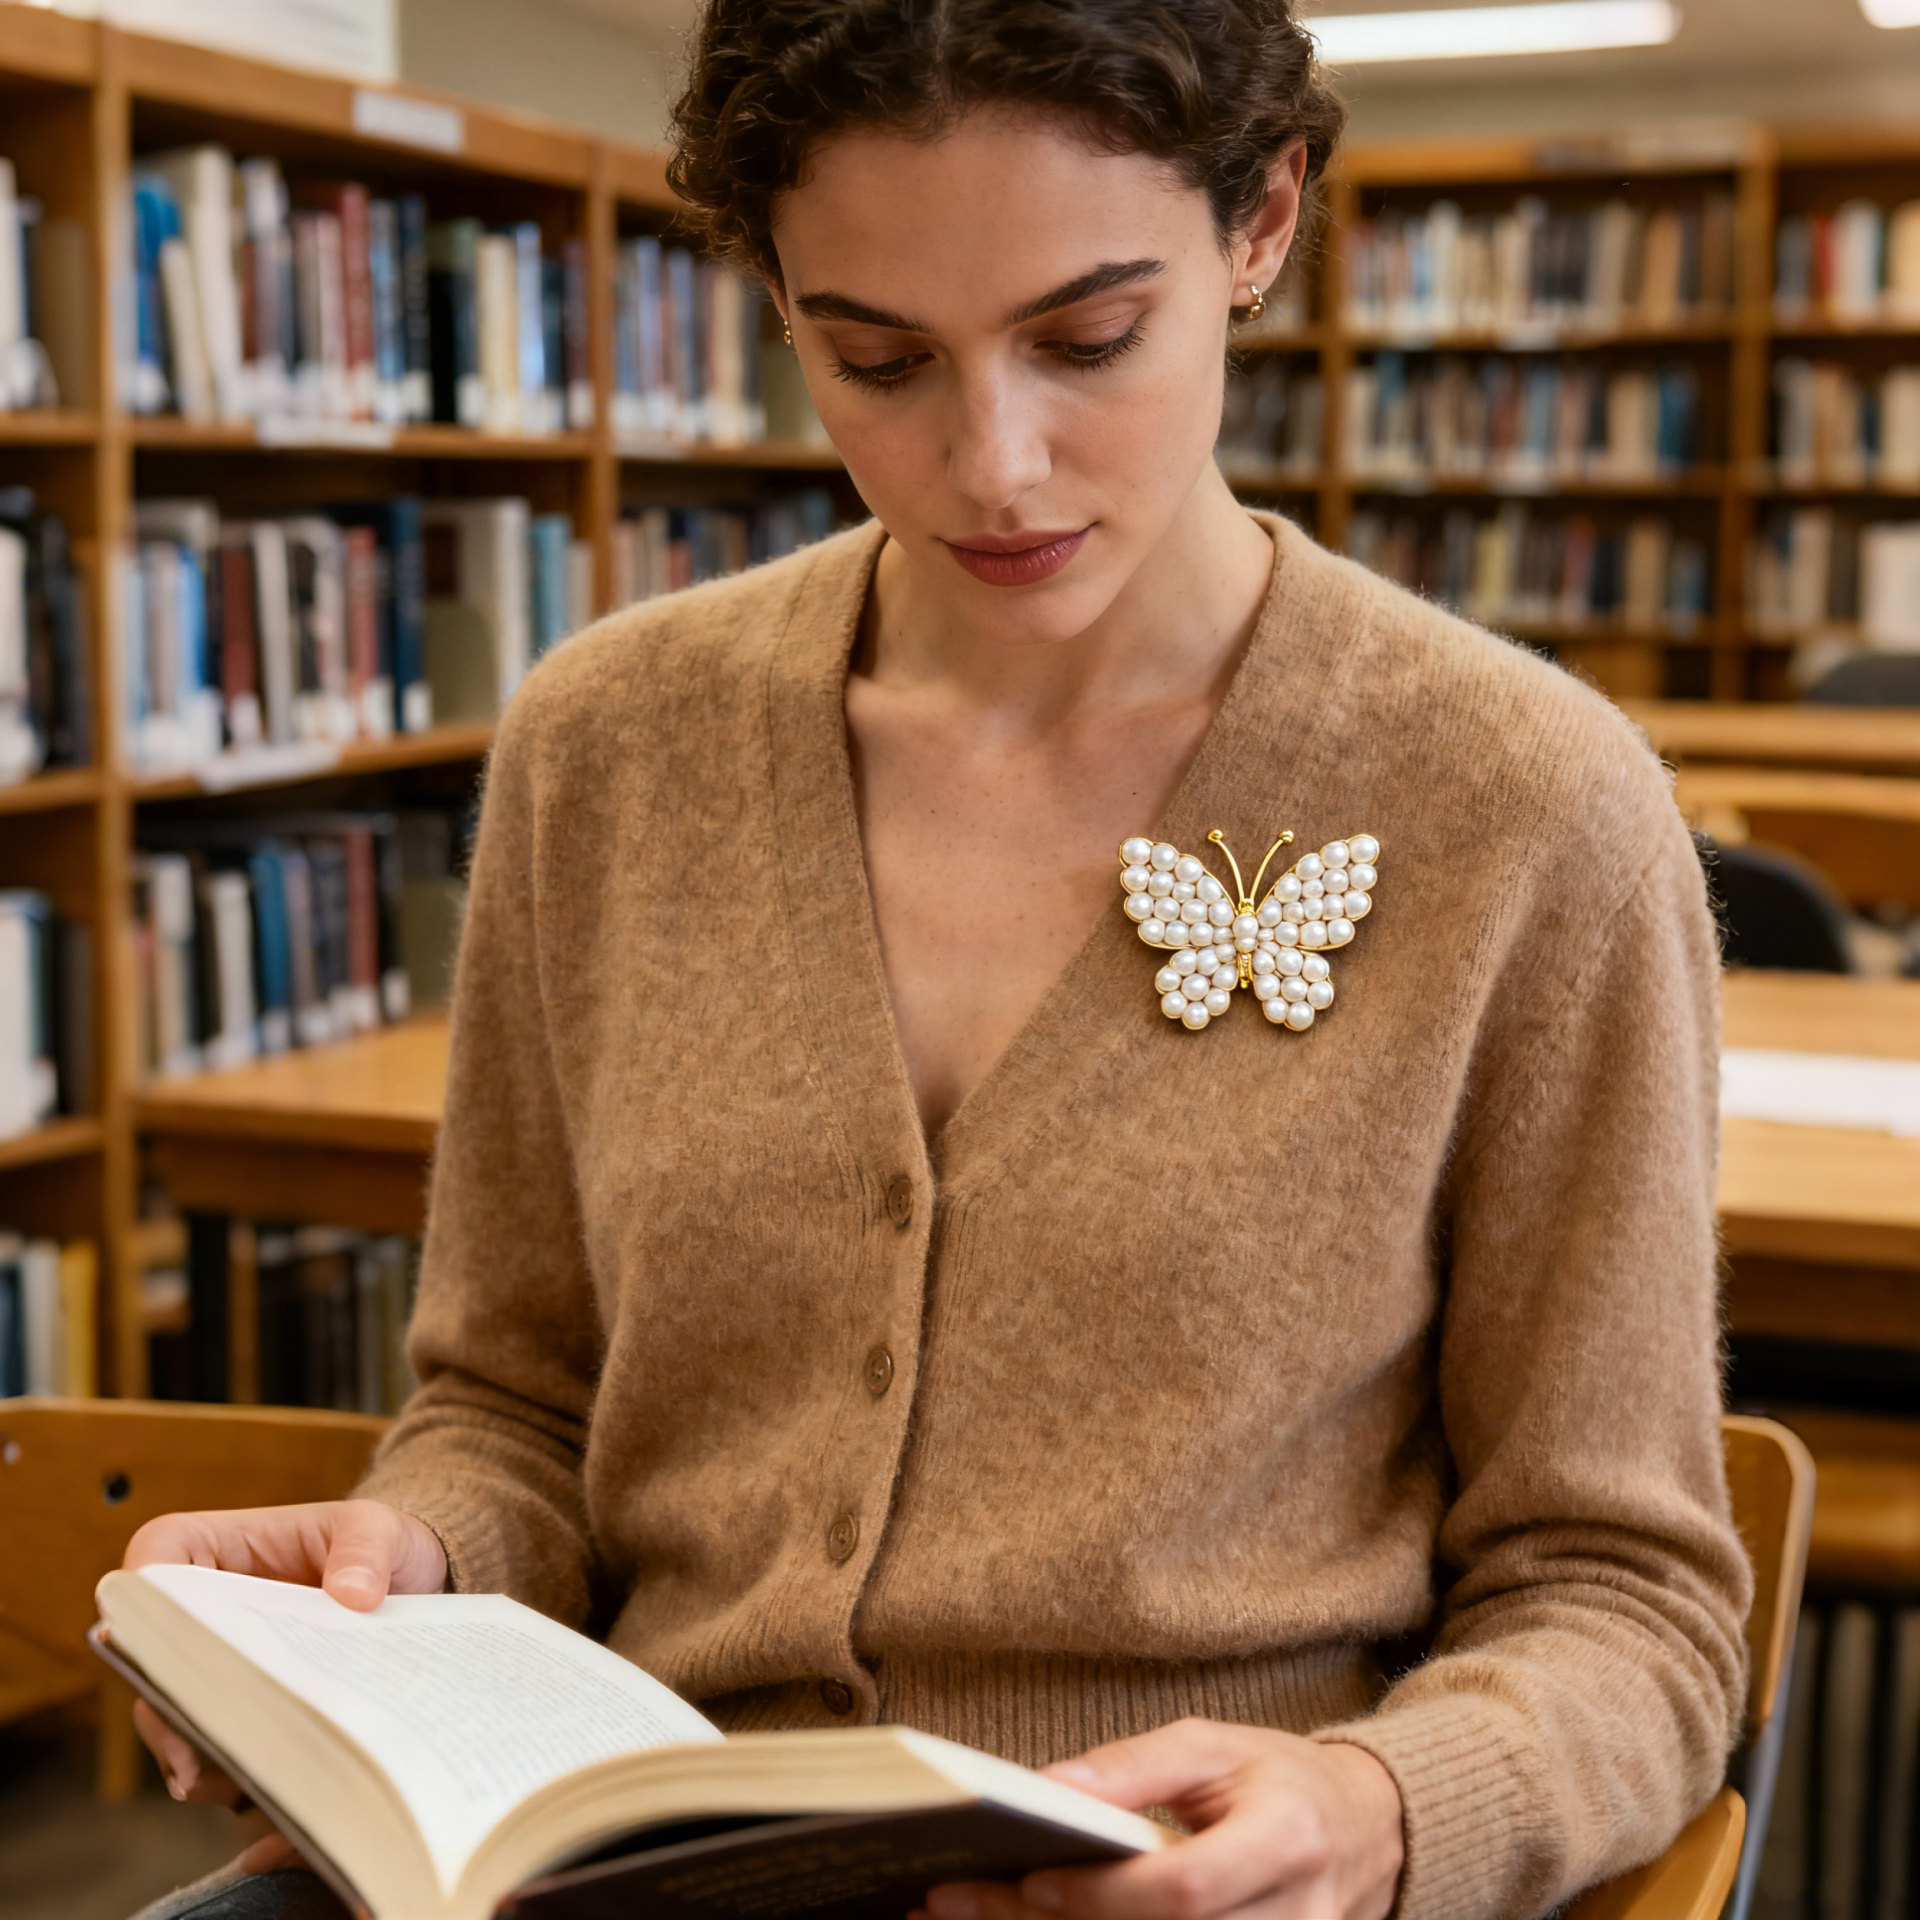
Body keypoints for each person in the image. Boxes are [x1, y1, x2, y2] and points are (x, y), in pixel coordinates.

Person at [123, 4, 1753, 1918]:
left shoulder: (1530, 811)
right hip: (641, 1866)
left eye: (1089, 339)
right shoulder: (607, 749)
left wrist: (1385, 1807)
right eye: (878, 360)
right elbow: (518, 1407)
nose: (995, 462)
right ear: (778, 302)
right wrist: (408, 1557)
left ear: (1261, 224)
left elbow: (1629, 1601)